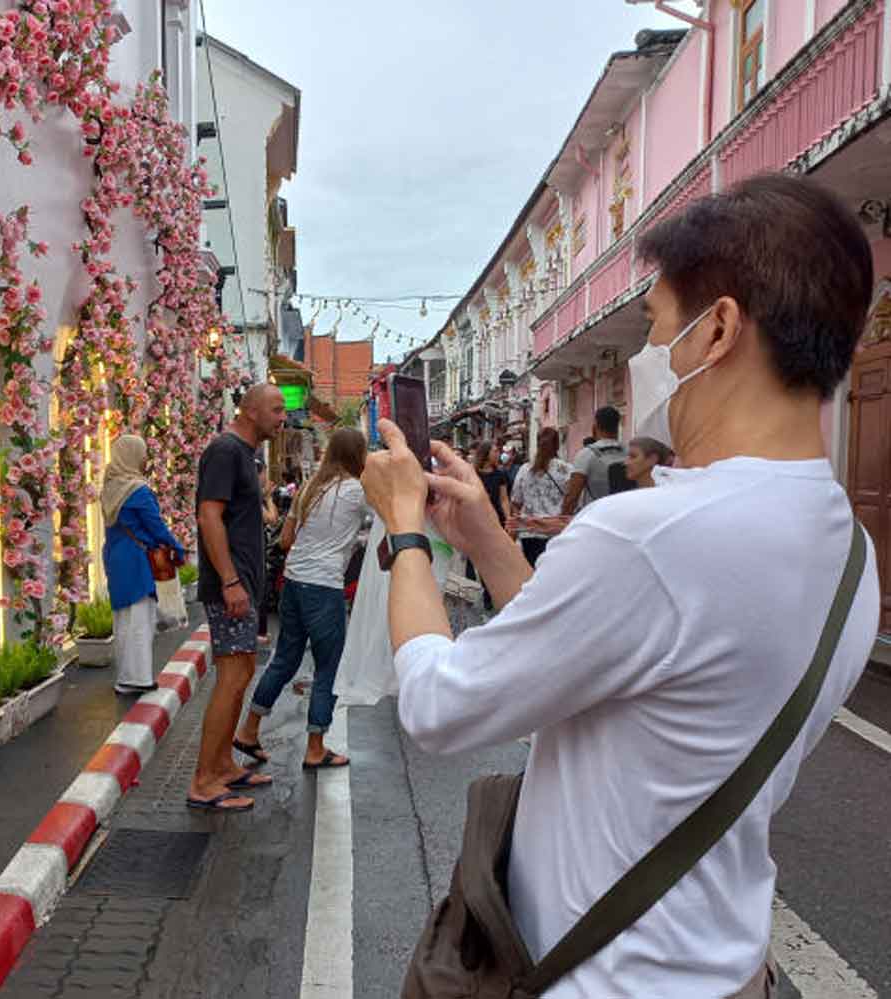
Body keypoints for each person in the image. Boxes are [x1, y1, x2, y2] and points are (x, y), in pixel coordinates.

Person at [361, 173, 879, 998]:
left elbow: (439, 704)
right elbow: (612, 659)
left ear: (718, 331)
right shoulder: (850, 553)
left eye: (657, 326)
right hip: (727, 968)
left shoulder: (656, 536)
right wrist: (492, 547)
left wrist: (406, 531)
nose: (646, 356)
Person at [235, 428, 368, 769]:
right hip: (324, 587)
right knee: (328, 669)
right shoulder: (355, 490)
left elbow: (285, 540)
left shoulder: (309, 487)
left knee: (284, 660)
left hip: (293, 582)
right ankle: (315, 748)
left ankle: (249, 730)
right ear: (357, 456)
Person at [187, 383, 286, 813]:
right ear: (249, 411)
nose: (283, 417)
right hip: (231, 586)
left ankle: (224, 764)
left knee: (242, 672)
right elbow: (208, 515)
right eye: (276, 409)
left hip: (244, 584)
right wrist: (229, 581)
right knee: (230, 678)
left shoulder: (246, 455)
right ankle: (204, 780)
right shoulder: (225, 451)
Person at [100, 434, 187, 694]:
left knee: (123, 619)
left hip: (116, 556)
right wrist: (177, 549)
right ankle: (136, 679)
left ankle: (125, 676)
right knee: (140, 619)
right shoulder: (138, 490)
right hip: (138, 559)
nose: (145, 458)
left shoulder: (110, 487)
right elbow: (156, 527)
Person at [508, 426, 571, 565]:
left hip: (529, 533)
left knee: (533, 572)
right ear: (557, 445)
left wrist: (519, 524)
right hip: (556, 532)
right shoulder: (566, 470)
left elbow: (515, 501)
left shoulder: (525, 470)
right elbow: (572, 501)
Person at [563, 405, 628, 512]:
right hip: (623, 514)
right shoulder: (629, 452)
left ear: (595, 426)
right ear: (617, 425)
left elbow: (572, 498)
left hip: (596, 517)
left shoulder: (586, 454)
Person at [472, 441, 511, 609]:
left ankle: (497, 590)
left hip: (497, 520)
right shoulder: (473, 474)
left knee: (497, 557)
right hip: (478, 521)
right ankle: (488, 593)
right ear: (486, 453)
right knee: (483, 559)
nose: (498, 453)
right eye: (495, 451)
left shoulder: (500, 475)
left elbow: (503, 499)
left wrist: (509, 519)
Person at [258, 457, 282, 647]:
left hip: (260, 549)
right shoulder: (252, 497)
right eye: (264, 472)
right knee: (261, 590)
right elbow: (272, 518)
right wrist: (267, 498)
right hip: (256, 552)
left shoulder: (255, 495)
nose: (267, 476)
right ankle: (259, 631)